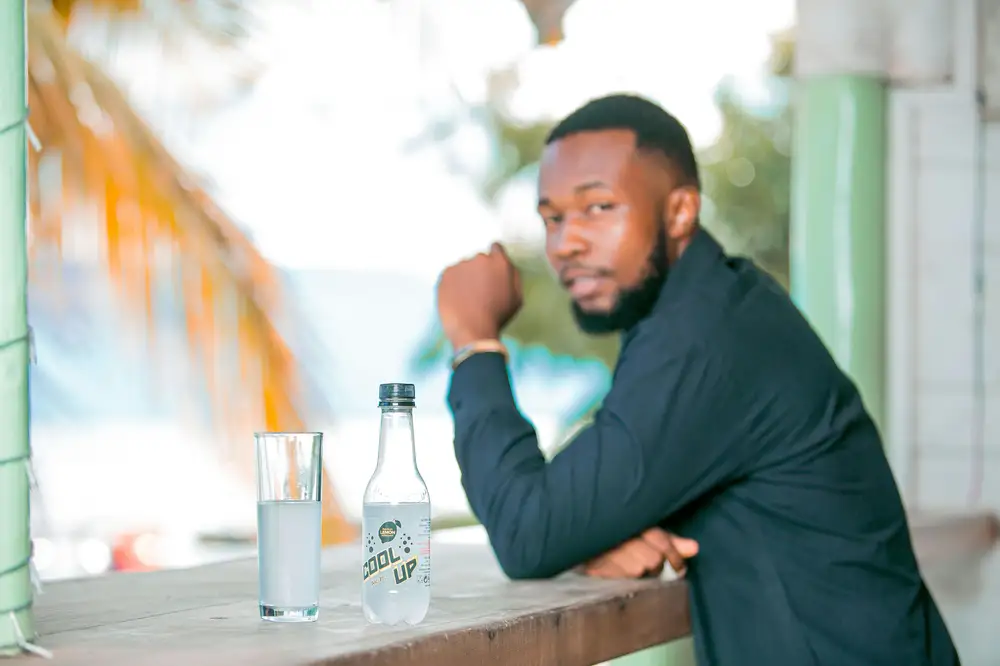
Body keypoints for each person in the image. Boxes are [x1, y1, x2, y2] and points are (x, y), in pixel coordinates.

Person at [435, 93, 961, 666]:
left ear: (681, 212)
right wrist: (602, 528)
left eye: (599, 207)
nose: (567, 243)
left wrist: (474, 340)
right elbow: (574, 497)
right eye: (552, 218)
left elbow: (526, 530)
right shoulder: (715, 311)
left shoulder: (706, 340)